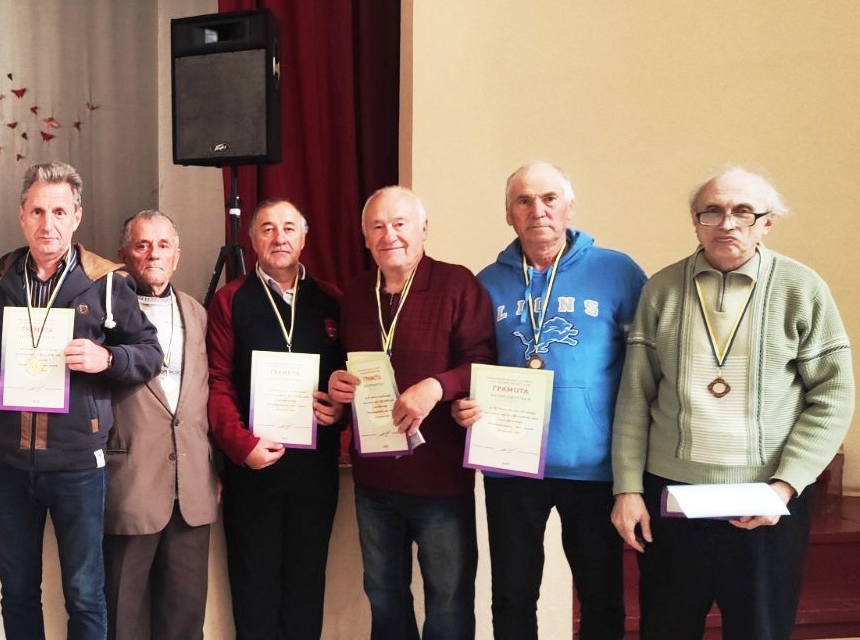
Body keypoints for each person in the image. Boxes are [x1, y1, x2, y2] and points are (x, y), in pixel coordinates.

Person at [610, 167, 853, 638]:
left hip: (765, 499)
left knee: (760, 630)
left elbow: (833, 396)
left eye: (743, 212)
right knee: (666, 628)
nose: (727, 223)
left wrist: (785, 486)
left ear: (768, 222)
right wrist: (627, 489)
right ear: (695, 220)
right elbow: (635, 396)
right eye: (713, 211)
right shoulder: (661, 290)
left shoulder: (802, 289)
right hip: (672, 499)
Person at [0, 161, 162, 640]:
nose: (47, 224)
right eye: (37, 211)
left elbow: (150, 352)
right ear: (21, 216)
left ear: (76, 217)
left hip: (77, 463)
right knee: (18, 592)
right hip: (7, 460)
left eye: (59, 212)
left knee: (85, 594)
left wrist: (106, 358)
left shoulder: (107, 282)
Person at [451, 161, 646, 639]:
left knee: (601, 595)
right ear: (509, 215)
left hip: (594, 467)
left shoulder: (617, 272)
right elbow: (473, 364)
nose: (537, 210)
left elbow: (645, 368)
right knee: (512, 596)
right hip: (512, 467)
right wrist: (463, 402)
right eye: (524, 201)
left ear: (569, 207)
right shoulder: (486, 282)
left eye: (549, 198)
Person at [324, 187, 495, 640]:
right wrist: (338, 385)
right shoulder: (356, 293)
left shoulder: (457, 284)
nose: (390, 235)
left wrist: (438, 386)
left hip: (440, 481)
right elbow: (346, 365)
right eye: (377, 226)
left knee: (448, 605)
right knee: (384, 599)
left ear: (423, 229)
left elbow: (483, 362)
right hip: (374, 482)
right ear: (365, 238)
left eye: (400, 224)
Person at [206, 198, 345, 640]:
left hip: (314, 471)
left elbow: (347, 379)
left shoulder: (331, 300)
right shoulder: (231, 299)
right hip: (252, 468)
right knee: (254, 586)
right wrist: (241, 445)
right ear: (252, 240)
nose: (279, 237)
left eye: (288, 228)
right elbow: (218, 381)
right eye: (267, 228)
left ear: (304, 239)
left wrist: (340, 411)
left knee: (306, 583)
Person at [104, 210, 220, 640]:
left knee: (185, 622)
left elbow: (209, 394)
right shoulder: (103, 312)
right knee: (122, 621)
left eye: (163, 245)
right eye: (142, 245)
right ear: (124, 255)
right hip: (128, 485)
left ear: (177, 256)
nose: (154, 253)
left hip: (192, 487)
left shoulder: (197, 313)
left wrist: (216, 468)